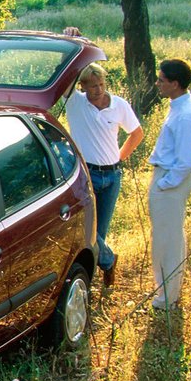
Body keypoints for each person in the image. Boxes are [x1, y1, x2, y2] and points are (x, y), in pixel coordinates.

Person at [61, 54, 144, 287]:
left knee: (101, 230)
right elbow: (64, 74)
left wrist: (119, 157)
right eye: (92, 85)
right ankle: (107, 261)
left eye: (101, 85)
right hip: (87, 174)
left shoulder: (119, 105)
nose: (98, 90)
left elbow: (136, 134)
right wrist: (74, 44)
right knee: (88, 226)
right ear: (82, 85)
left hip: (113, 174)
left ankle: (99, 271)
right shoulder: (76, 102)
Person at [148, 58, 191, 312]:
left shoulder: (187, 114)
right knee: (167, 238)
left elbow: (189, 159)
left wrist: (165, 184)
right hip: (166, 178)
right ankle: (166, 290)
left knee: (166, 241)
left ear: (175, 83)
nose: (157, 83)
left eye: (161, 80)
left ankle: (166, 298)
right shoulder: (178, 106)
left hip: (171, 181)